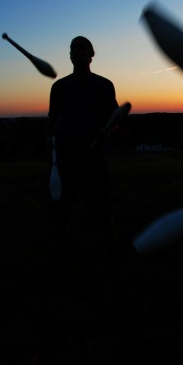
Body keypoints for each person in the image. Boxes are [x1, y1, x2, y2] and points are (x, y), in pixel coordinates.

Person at [46, 36, 123, 260]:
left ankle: (116, 260)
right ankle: (58, 259)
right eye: (72, 48)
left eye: (81, 47)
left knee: (103, 213)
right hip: (65, 160)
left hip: (93, 158)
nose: (76, 51)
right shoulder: (58, 87)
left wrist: (107, 130)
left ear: (91, 55)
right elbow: (51, 122)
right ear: (70, 55)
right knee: (60, 214)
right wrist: (50, 140)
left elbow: (114, 121)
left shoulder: (104, 85)